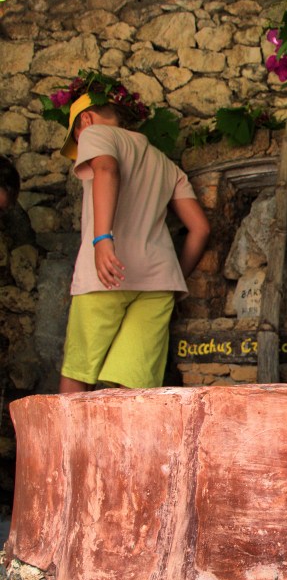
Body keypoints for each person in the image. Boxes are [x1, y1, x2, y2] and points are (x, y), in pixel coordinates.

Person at [56, 80, 210, 393]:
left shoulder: (95, 133)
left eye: (77, 136)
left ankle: (68, 433)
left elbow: (106, 170)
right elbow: (201, 229)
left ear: (85, 119)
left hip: (106, 275)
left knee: (78, 374)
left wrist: (102, 240)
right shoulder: (165, 163)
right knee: (131, 390)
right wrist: (174, 276)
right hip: (158, 284)